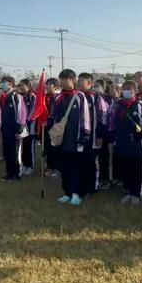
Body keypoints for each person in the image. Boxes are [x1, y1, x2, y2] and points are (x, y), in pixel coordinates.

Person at [108, 80, 142, 204]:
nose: (126, 91)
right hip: (122, 142)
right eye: (124, 88)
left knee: (137, 168)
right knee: (125, 167)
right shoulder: (117, 105)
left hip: (137, 143)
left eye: (129, 88)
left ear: (135, 91)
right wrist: (112, 139)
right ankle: (127, 191)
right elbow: (112, 123)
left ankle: (136, 193)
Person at [50, 69, 91, 206]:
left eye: (65, 79)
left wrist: (84, 135)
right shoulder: (59, 97)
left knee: (75, 167)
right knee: (64, 167)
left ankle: (76, 194)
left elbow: (85, 117)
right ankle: (67, 192)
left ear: (72, 80)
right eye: (61, 79)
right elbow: (54, 116)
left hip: (75, 138)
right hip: (61, 138)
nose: (62, 82)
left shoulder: (79, 96)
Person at [77, 72, 109, 196]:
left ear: (89, 83)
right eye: (78, 81)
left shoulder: (96, 98)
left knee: (91, 162)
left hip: (93, 137)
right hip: (79, 137)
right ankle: (82, 186)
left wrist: (100, 135)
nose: (79, 83)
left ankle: (92, 187)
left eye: (81, 81)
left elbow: (103, 117)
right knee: (81, 162)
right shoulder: (77, 97)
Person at [0, 76, 27, 181]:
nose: (2, 84)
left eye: (4, 82)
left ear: (11, 83)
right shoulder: (4, 96)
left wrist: (19, 128)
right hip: (5, 129)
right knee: (7, 152)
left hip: (15, 129)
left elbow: (22, 113)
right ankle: (9, 173)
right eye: (2, 82)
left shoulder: (16, 96)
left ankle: (17, 173)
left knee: (15, 153)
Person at [18, 78, 36, 176]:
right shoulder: (21, 97)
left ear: (28, 86)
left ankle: (31, 166)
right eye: (20, 85)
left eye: (23, 85)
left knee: (30, 147)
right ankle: (24, 164)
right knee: (24, 146)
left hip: (30, 127)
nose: (21, 87)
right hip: (22, 126)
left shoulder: (32, 96)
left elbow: (33, 111)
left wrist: (26, 121)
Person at [43, 77, 60, 178]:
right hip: (46, 126)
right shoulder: (45, 97)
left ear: (56, 86)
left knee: (56, 148)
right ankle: (50, 167)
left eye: (50, 84)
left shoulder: (58, 97)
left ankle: (57, 168)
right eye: (47, 84)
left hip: (56, 127)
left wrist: (49, 121)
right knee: (48, 147)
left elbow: (55, 114)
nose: (47, 86)